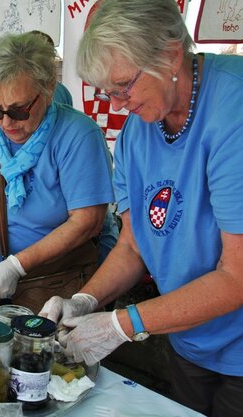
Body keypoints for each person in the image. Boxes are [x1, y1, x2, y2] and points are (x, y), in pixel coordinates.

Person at [38, 1, 243, 416]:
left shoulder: (232, 112)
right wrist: (86, 300)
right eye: (107, 93)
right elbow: (133, 245)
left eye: (123, 86)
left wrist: (122, 325)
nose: (117, 105)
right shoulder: (138, 131)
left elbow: (236, 276)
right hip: (189, 338)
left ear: (169, 54)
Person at [0, 32, 115, 309]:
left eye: (18, 111)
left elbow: (87, 220)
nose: (5, 122)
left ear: (48, 89)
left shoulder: (78, 135)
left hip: (62, 285)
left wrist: (17, 265)